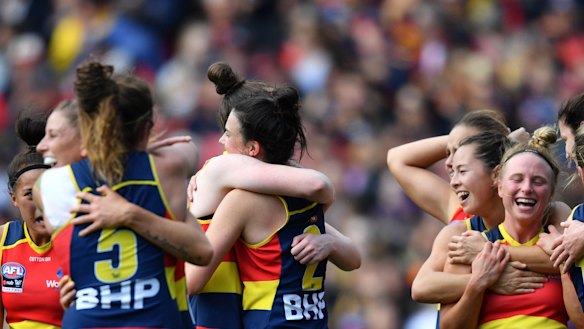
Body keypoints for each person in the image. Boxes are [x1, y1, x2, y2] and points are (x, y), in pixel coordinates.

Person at [33, 61, 213, 328]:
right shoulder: (166, 168)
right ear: (146, 128)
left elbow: (72, 254)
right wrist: (131, 213)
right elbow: (201, 252)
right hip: (156, 318)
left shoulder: (47, 186)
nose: (42, 146)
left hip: (86, 319)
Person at [186, 83, 334, 329]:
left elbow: (320, 185)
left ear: (252, 147)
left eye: (228, 133)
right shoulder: (291, 195)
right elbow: (353, 257)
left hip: (220, 316)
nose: (221, 140)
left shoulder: (232, 183)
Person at [410, 130, 567, 304]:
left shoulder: (550, 213)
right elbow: (421, 287)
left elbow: (568, 259)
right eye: (452, 172)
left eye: (462, 171)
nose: (453, 182)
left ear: (495, 175)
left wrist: (486, 250)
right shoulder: (462, 232)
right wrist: (490, 279)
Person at [386, 109, 528, 225]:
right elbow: (396, 159)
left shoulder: (530, 208)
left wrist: (502, 145)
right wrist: (456, 138)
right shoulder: (458, 207)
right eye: (448, 152)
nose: (448, 162)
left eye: (460, 151)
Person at [0, 111, 59, 328]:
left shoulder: (77, 239)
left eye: (49, 190)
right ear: (14, 199)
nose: (42, 202)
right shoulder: (3, 241)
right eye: (30, 194)